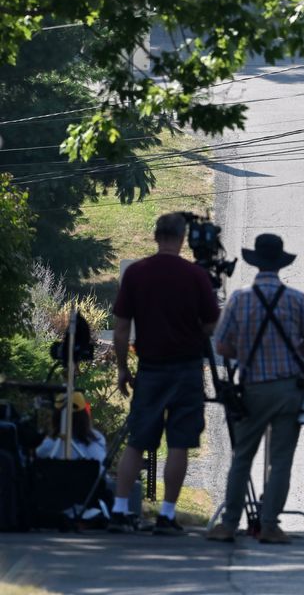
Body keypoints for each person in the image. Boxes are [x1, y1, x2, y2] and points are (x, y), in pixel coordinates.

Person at [205, 234, 304, 545]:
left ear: (255, 263)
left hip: (253, 388)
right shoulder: (296, 299)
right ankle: (269, 525)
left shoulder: (240, 300)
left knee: (242, 457)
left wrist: (246, 352)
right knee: (281, 459)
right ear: (280, 264)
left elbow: (221, 345)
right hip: (289, 389)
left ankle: (229, 524)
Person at [109, 212, 221, 535]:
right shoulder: (195, 276)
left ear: (156, 237)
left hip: (150, 369)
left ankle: (119, 511)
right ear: (182, 238)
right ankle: (167, 515)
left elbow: (120, 330)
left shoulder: (137, 274)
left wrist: (121, 369)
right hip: (185, 369)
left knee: (137, 439)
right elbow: (212, 323)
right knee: (179, 442)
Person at [36, 392, 106, 463]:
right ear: (84, 416)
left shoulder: (48, 447)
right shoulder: (98, 439)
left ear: (56, 418)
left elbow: (38, 454)